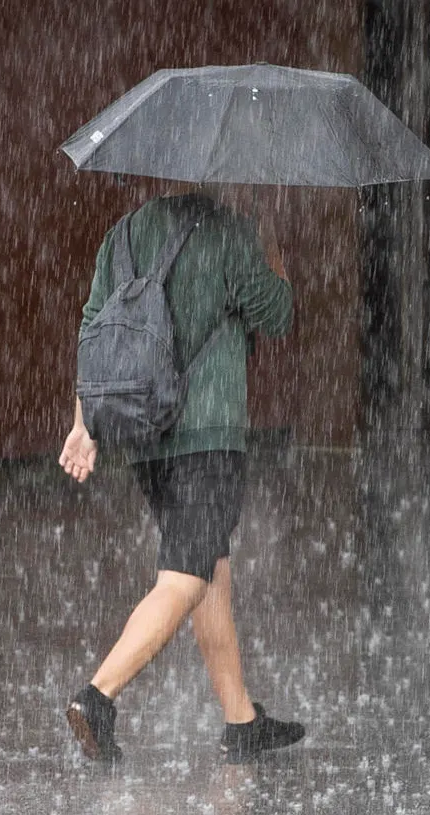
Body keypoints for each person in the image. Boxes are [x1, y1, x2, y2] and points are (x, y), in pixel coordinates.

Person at [59, 185, 306, 764]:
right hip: (208, 436)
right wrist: (271, 250)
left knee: (207, 566)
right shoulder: (230, 232)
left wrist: (83, 423)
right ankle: (99, 696)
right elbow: (278, 314)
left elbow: (94, 334)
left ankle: (241, 719)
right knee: (187, 574)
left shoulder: (121, 234)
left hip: (147, 436)